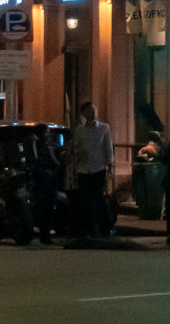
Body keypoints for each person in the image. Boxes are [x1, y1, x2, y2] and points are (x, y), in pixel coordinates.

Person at [68, 100, 113, 240]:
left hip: (98, 168)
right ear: (83, 113)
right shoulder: (79, 130)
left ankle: (106, 227)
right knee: (86, 201)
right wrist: (78, 154)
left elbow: (108, 148)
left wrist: (109, 166)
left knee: (99, 199)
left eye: (94, 110)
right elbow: (76, 147)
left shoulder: (104, 128)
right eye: (89, 111)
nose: (93, 113)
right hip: (83, 169)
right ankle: (89, 228)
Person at [30, 125, 61, 245]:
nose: (48, 135)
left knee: (47, 210)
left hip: (48, 182)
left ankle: (45, 234)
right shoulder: (39, 147)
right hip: (43, 183)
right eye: (46, 133)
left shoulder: (48, 147)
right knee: (46, 210)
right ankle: (44, 234)